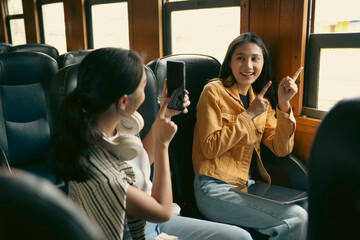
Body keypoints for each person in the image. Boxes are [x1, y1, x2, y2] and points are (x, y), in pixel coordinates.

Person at [52, 47, 252, 240]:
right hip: (140, 231)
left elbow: (141, 162)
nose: (144, 94)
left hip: (151, 222)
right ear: (123, 102)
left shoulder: (115, 129)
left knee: (240, 237)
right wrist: (163, 145)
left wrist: (164, 113)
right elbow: (162, 211)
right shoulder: (104, 177)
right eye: (142, 88)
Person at [192, 32, 308, 240]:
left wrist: (283, 104)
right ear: (230, 62)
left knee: (308, 206)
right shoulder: (213, 92)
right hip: (213, 188)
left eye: (255, 58)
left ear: (263, 63)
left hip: (247, 186)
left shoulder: (260, 98)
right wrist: (249, 115)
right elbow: (209, 147)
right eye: (241, 58)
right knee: (296, 219)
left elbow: (281, 150)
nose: (248, 65)